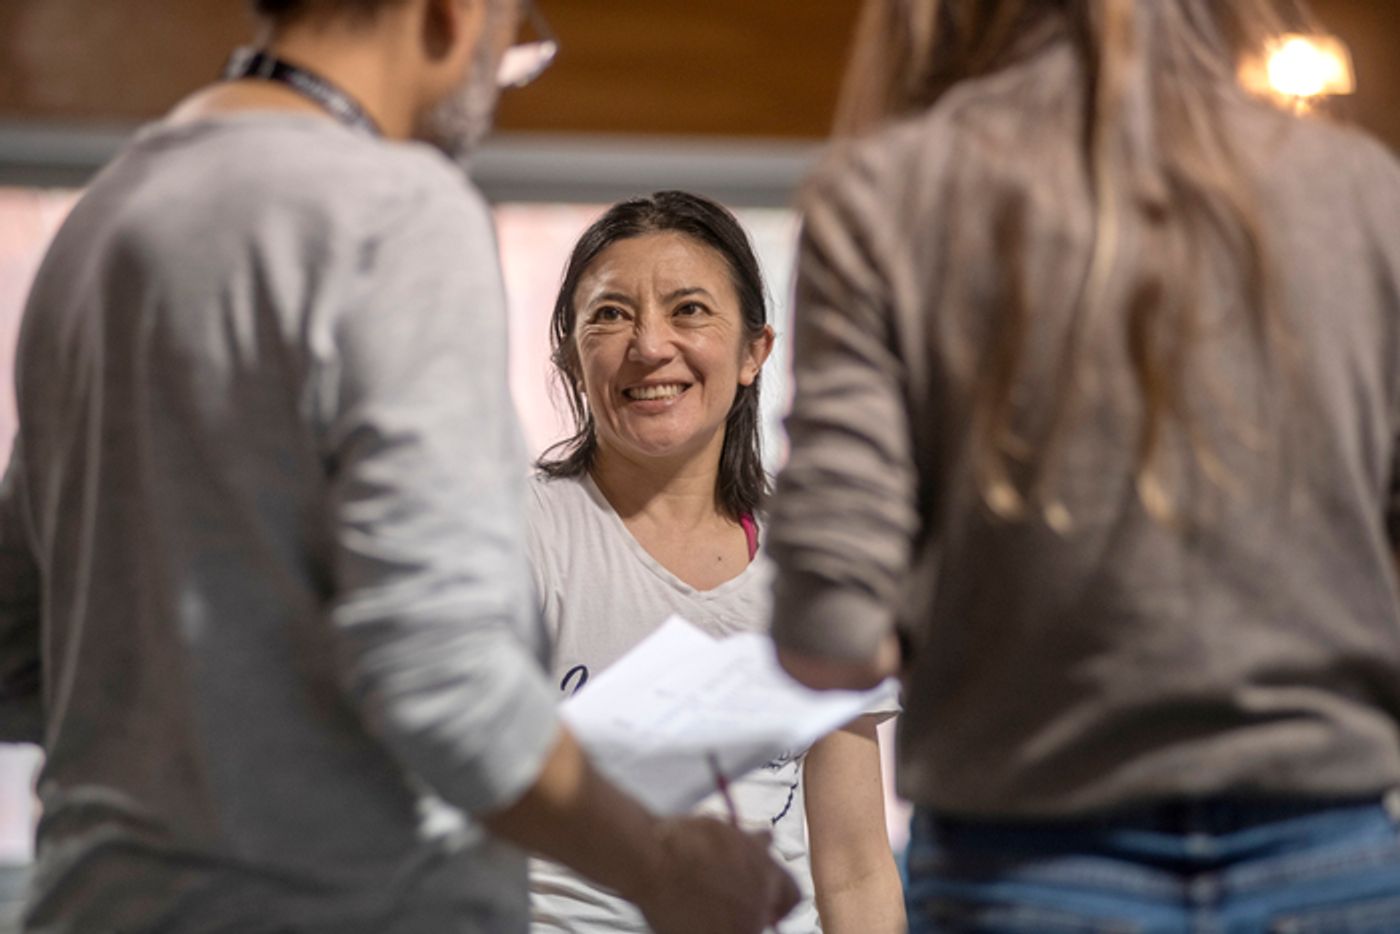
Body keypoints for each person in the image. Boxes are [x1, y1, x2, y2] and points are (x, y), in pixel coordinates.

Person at [0, 1, 799, 931]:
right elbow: (442, 679)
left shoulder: (104, 217)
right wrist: (667, 867)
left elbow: (22, 652)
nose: (504, 67)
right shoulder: (393, 210)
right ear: (451, 12)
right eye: (514, 33)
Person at [766, 0, 1400, 930]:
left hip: (1028, 868)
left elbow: (831, 632)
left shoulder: (886, 194)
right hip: (1330, 863)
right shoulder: (1365, 192)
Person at [525, 190, 906, 933]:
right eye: (609, 314)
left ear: (753, 353)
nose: (649, 346)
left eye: (689, 309)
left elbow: (855, 866)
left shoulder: (818, 568)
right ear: (570, 354)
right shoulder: (514, 534)